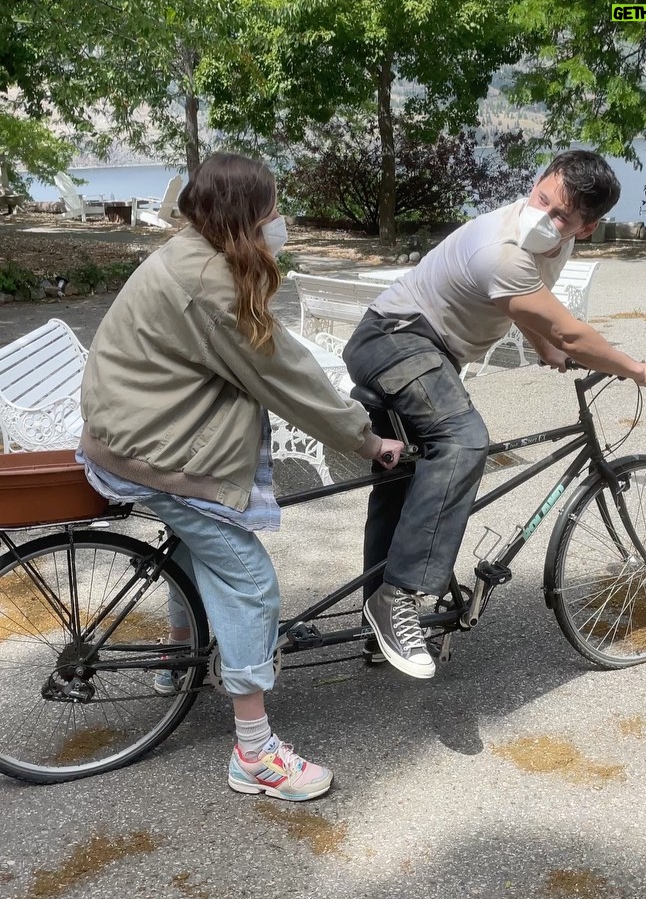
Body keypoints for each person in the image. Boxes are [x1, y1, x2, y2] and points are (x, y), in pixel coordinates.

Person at [77, 152, 404, 801]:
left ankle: (177, 662)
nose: (279, 221)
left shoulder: (190, 253)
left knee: (204, 554)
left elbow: (269, 359)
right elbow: (287, 376)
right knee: (250, 581)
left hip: (126, 432)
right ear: (245, 216)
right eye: (272, 210)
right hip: (153, 451)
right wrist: (365, 438)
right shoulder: (214, 284)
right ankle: (255, 755)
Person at [342, 149, 646, 680]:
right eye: (543, 199)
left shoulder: (547, 250)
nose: (546, 216)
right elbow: (567, 328)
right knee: (464, 439)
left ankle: (375, 628)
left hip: (415, 346)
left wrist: (544, 350)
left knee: (401, 484)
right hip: (396, 341)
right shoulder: (501, 247)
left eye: (562, 215)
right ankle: (398, 598)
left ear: (585, 229)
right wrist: (636, 369)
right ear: (536, 182)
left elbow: (525, 307)